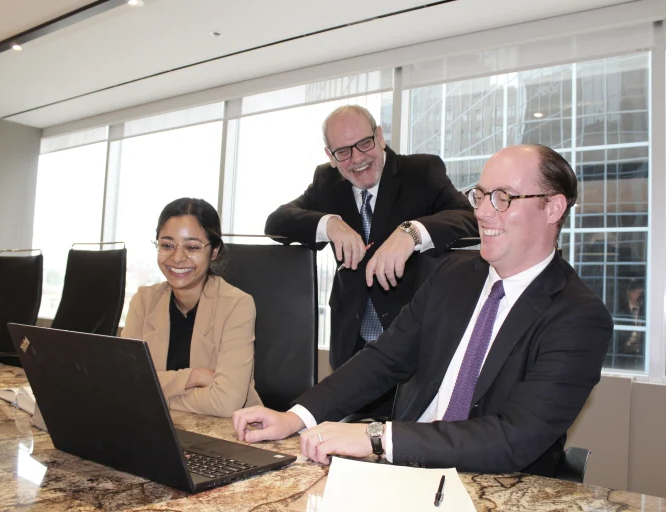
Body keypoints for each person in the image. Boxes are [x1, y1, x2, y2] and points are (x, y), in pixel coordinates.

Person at [234, 144, 612, 476]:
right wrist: (295, 417)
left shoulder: (577, 317)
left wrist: (378, 437)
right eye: (479, 196)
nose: (482, 212)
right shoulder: (452, 275)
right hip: (405, 474)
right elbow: (383, 359)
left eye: (503, 197)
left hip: (494, 487)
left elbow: (514, 438)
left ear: (553, 207)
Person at [265, 105, 477, 372]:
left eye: (364, 143)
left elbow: (471, 221)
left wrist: (411, 232)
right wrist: (329, 224)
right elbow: (276, 222)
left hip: (415, 343)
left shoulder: (422, 171)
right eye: (343, 151)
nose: (357, 159)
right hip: (351, 347)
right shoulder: (326, 181)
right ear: (331, 156)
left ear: (379, 136)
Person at [122, 197, 261, 417]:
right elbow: (123, 383)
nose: (177, 257)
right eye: (167, 245)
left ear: (214, 251)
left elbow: (226, 403)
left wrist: (152, 390)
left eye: (192, 247)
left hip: (227, 434)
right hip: (157, 426)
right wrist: (193, 377)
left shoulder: (236, 305)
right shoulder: (144, 301)